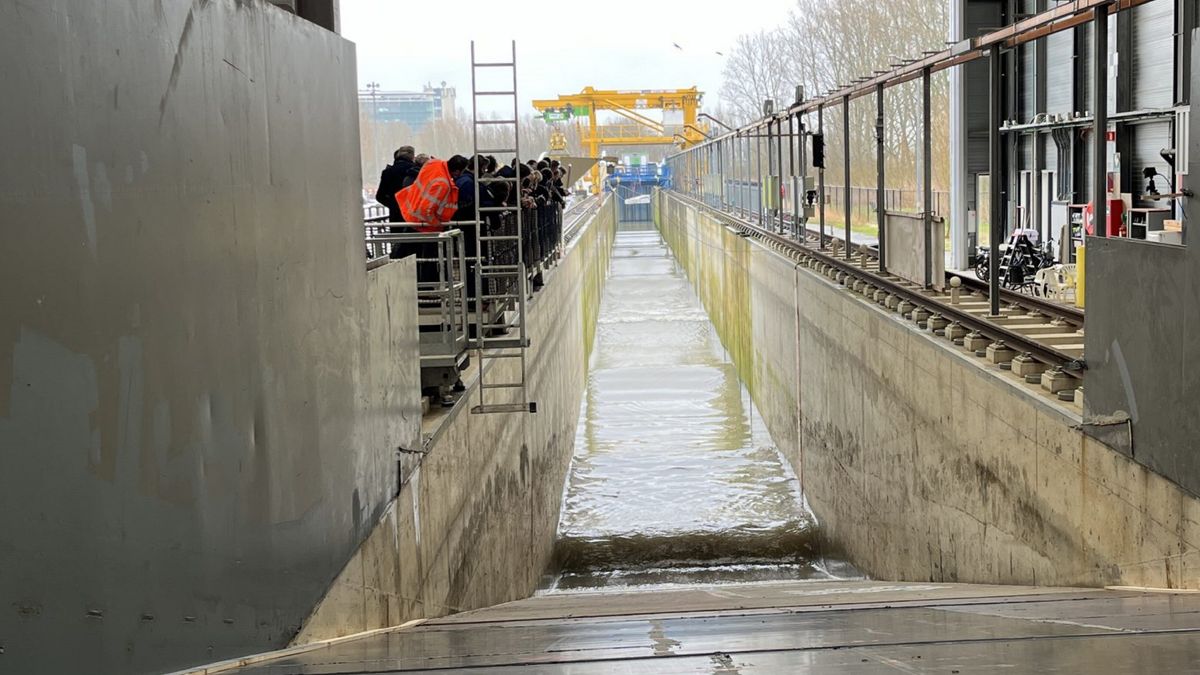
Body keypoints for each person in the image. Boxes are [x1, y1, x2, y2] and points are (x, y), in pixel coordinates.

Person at [375, 146, 419, 223]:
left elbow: (380, 196)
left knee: (397, 234)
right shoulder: (416, 170)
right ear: (412, 156)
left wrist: (394, 205)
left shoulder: (387, 172)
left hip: (395, 216)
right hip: (414, 215)